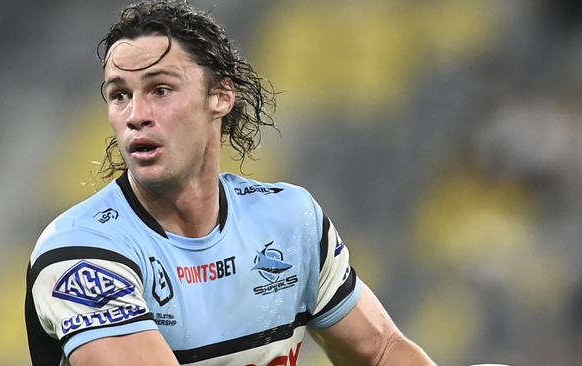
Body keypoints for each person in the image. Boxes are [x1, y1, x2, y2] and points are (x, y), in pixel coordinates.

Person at [25, 1, 437, 365]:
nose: (136, 114)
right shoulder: (81, 255)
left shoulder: (290, 223)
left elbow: (381, 352)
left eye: (160, 89)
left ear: (220, 96)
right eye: (119, 95)